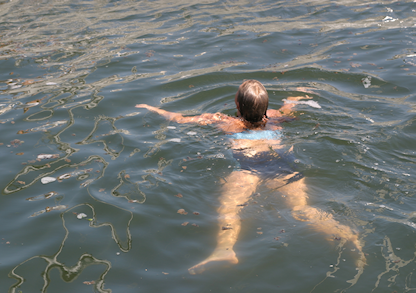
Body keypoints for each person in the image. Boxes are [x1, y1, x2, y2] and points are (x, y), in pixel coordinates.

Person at [136, 79, 365, 275]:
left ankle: (225, 249)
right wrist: (297, 96)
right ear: (266, 106)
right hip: (282, 165)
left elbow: (180, 119)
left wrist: (153, 109)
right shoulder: (275, 117)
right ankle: (347, 235)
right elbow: (289, 109)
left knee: (229, 210)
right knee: (301, 210)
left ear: (236, 104)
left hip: (249, 167)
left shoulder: (226, 122)